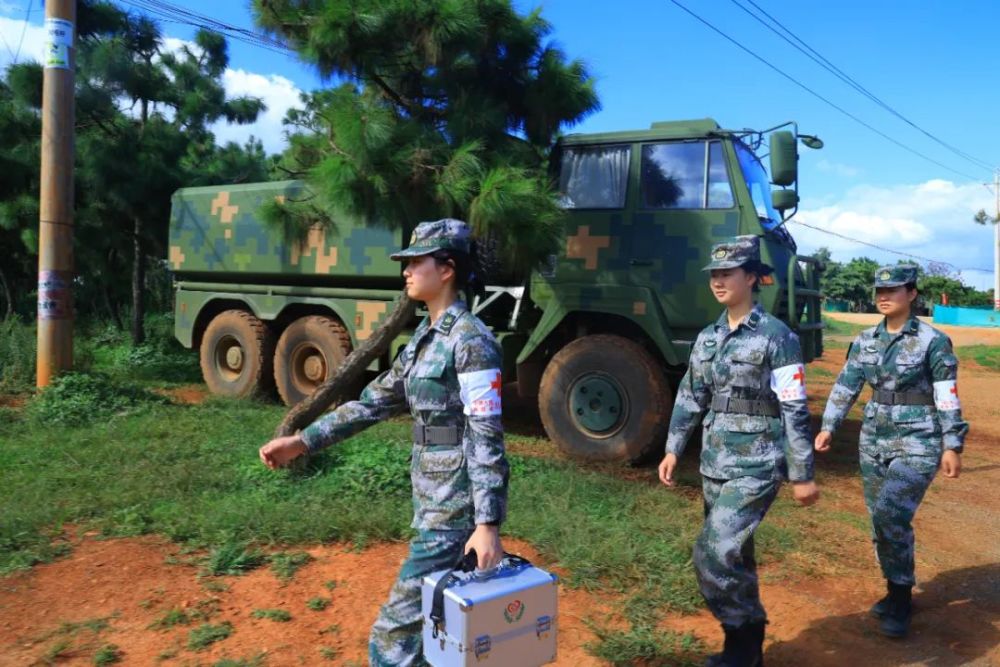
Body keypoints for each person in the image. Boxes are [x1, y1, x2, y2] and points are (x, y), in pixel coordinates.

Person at [258, 219, 509, 667]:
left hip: (455, 510)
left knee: (393, 637)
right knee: (443, 628)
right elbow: (372, 404)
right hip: (432, 499)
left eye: (416, 262)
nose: (406, 271)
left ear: (447, 269)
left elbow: (487, 434)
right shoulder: (423, 342)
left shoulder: (471, 342)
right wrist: (303, 441)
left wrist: (487, 523)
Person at [658, 235, 819, 667]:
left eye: (727, 273)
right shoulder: (708, 337)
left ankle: (743, 631)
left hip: (758, 464)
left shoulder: (778, 337)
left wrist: (802, 472)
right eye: (714, 274)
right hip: (714, 463)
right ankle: (745, 648)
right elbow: (690, 395)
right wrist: (674, 448)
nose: (718, 281)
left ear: (752, 277)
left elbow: (794, 408)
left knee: (713, 553)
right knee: (736, 555)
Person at [815, 264, 967, 638]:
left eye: (894, 289)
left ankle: (900, 598)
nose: (884, 295)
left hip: (919, 440)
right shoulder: (865, 339)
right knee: (879, 522)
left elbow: (946, 394)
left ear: (912, 294)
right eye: (880, 290)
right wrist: (828, 425)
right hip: (873, 440)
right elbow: (846, 385)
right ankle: (895, 587)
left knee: (890, 513)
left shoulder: (933, 341)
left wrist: (952, 443)